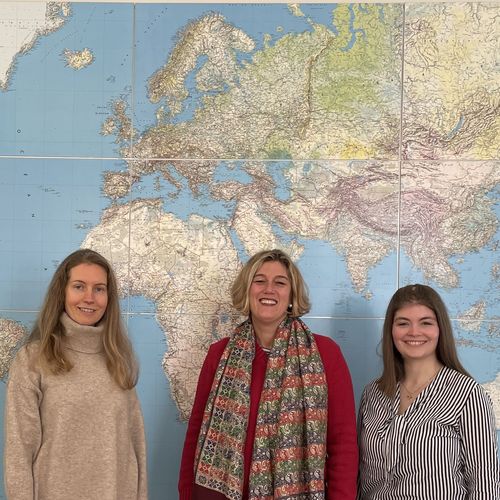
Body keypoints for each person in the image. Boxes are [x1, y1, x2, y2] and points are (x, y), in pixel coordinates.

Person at [179, 249, 358, 499]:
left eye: (280, 283)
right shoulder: (219, 355)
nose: (269, 290)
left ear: (292, 295)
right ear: (247, 290)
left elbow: (343, 444)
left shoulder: (326, 354)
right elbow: (196, 433)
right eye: (259, 280)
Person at [4, 249, 148, 500]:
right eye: (79, 286)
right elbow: (19, 452)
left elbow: (136, 447)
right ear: (63, 292)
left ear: (108, 297)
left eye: (99, 289)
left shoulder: (118, 360)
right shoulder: (33, 359)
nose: (89, 298)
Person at [357, 284, 500, 499]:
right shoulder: (372, 394)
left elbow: (485, 484)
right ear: (391, 331)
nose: (414, 332)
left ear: (439, 328)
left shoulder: (467, 394)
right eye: (403, 323)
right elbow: (361, 477)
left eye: (426, 322)